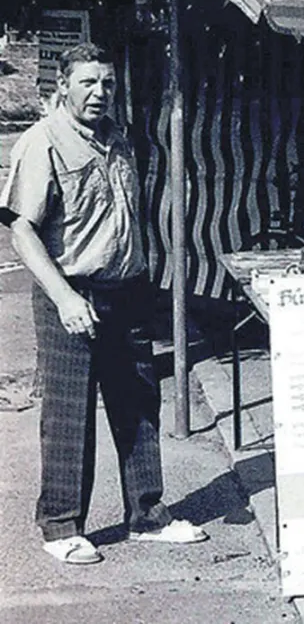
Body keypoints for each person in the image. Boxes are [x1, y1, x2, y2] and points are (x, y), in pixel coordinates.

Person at [1, 42, 207, 565]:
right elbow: (21, 229)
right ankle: (62, 525)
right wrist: (65, 296)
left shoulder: (117, 138)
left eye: (108, 83)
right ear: (62, 86)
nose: (99, 92)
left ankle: (147, 515)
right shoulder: (41, 142)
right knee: (71, 414)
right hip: (72, 293)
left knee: (137, 401)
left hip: (127, 290)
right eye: (88, 82)